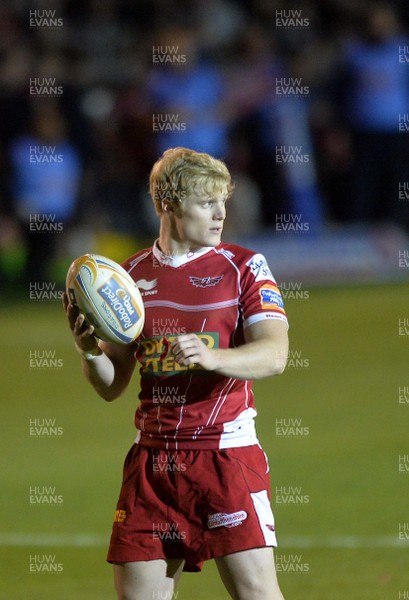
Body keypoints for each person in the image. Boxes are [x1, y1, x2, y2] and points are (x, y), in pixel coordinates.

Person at [63, 147, 289, 600]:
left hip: (224, 457)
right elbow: (112, 387)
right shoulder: (127, 279)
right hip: (152, 462)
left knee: (257, 595)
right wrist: (89, 351)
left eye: (223, 201)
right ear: (168, 203)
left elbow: (275, 354)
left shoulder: (244, 267)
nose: (221, 214)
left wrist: (215, 359)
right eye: (207, 202)